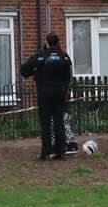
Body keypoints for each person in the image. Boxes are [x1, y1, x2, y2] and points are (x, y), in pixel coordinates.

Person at [20, 32, 73, 160]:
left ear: (46, 42)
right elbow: (68, 75)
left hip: (44, 93)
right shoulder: (64, 56)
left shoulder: (40, 57)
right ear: (57, 42)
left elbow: (23, 70)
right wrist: (65, 89)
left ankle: (46, 152)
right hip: (60, 93)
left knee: (46, 123)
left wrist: (35, 73)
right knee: (59, 122)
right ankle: (61, 152)